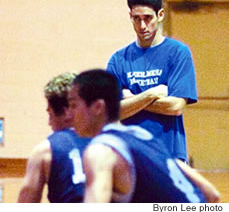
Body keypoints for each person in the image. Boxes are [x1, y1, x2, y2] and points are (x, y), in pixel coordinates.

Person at [68, 69, 220, 203]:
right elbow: (212, 194)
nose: (68, 114)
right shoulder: (145, 138)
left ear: (98, 107)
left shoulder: (101, 151)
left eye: (74, 105)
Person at [106, 0, 198, 162]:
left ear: (160, 15)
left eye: (147, 18)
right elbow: (112, 112)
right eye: (136, 19)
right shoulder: (118, 60)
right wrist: (151, 94)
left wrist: (131, 99)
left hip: (170, 156)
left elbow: (175, 106)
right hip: (130, 158)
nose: (142, 26)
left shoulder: (178, 53)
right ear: (130, 17)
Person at [17, 72, 91, 203]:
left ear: (67, 111)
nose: (49, 122)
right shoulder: (112, 144)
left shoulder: (45, 150)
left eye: (50, 114)